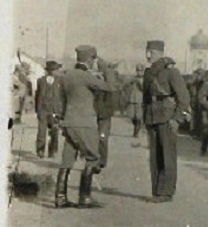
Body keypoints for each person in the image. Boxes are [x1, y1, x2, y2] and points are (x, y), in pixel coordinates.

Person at [55, 45, 114, 208]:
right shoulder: (86, 77)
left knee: (67, 160)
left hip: (68, 123)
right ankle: (84, 197)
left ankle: (60, 197)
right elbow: (110, 87)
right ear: (90, 59)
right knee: (93, 158)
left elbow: (61, 100)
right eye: (94, 59)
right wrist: (105, 68)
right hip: (85, 123)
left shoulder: (67, 76)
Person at [143, 40, 191, 203]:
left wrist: (176, 119)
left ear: (161, 53)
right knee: (154, 156)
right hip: (152, 116)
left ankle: (167, 191)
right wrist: (145, 117)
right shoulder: (148, 73)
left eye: (153, 53)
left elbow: (184, 97)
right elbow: (146, 98)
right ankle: (156, 190)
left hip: (167, 117)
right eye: (148, 52)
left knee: (167, 155)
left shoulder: (172, 72)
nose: (149, 55)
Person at [35, 60, 64, 158]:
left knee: (54, 132)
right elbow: (37, 96)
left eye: (56, 70)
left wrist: (61, 111)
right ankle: (40, 150)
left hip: (55, 110)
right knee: (41, 131)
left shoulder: (61, 81)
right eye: (54, 70)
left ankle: (52, 151)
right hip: (43, 109)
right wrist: (38, 110)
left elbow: (62, 97)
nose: (55, 72)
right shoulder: (41, 80)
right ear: (48, 71)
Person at [125, 64, 145, 137]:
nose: (139, 73)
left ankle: (136, 131)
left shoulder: (144, 79)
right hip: (132, 99)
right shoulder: (133, 78)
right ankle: (135, 128)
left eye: (140, 71)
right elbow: (126, 85)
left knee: (138, 117)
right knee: (132, 117)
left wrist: (139, 83)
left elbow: (144, 89)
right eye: (138, 71)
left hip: (140, 100)